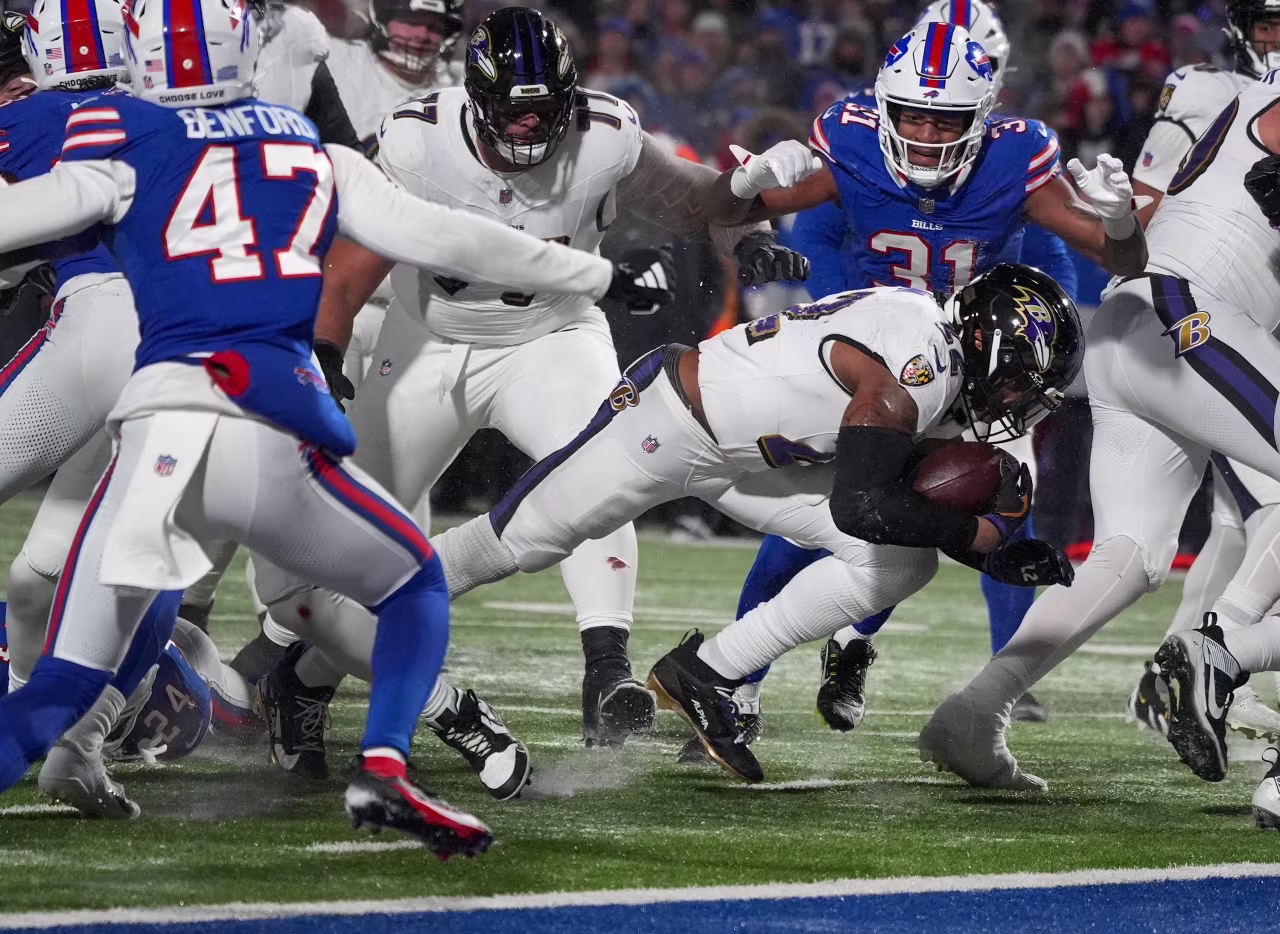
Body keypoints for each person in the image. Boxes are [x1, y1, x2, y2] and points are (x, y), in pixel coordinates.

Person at [0, 0, 669, 850]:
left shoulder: (122, 149)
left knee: (60, 678)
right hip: (267, 426)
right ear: (247, 47)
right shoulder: (298, 143)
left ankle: (79, 738)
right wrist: (600, 273)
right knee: (417, 583)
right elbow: (453, 237)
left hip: (158, 441)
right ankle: (385, 766)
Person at [252, 6, 811, 773]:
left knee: (607, 472)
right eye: (509, 110)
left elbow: (701, 201)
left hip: (554, 334)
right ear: (474, 97)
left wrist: (752, 208)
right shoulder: (416, 139)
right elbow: (348, 271)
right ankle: (297, 679)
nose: (525, 128)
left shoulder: (604, 133)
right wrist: (320, 356)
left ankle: (605, 664)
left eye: (541, 110)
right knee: (354, 536)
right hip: (432, 340)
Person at [421, 263, 1080, 783]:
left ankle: (708, 672)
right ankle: (370, 605)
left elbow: (884, 504)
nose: (1020, 401)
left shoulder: (930, 341)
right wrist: (979, 543)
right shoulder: (918, 367)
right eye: (1022, 382)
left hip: (748, 458)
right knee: (510, 545)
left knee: (900, 563)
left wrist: (988, 553)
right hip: (668, 422)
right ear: (990, 345)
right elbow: (866, 507)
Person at [690, 19, 1146, 742]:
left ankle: (840, 646)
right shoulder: (849, 140)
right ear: (885, 106)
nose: (929, 137)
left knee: (937, 519)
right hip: (863, 355)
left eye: (948, 119)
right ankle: (736, 685)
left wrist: (1120, 222)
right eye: (914, 116)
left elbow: (1116, 257)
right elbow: (723, 212)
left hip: (960, 371)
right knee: (814, 527)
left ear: (983, 111)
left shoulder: (1016, 157)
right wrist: (742, 184)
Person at [0, 0, 370, 819]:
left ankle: (69, 719)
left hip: (108, 332)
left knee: (62, 567)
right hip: (206, 352)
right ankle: (78, 742)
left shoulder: (41, 118)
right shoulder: (213, 120)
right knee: (70, 565)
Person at [917, 75, 1280, 796]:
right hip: (1189, 314)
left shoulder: (1226, 92)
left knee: (1132, 554)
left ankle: (974, 711)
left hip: (1137, 323)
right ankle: (1221, 655)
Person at [1122, 0, 1280, 755]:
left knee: (1237, 525)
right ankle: (1215, 660)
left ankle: (1206, 661)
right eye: (1270, 22)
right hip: (1208, 320)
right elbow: (1146, 205)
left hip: (1241, 323)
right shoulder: (1209, 90)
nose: (1276, 37)